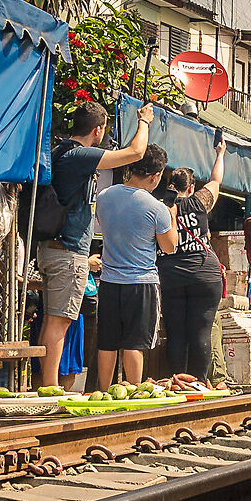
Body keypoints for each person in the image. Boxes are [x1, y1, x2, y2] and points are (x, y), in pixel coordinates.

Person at [35, 101, 155, 390]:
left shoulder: (61, 151)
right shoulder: (78, 154)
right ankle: (50, 387)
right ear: (98, 130)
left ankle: (47, 384)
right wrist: (144, 121)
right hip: (68, 251)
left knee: (53, 320)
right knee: (59, 321)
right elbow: (135, 153)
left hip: (54, 248)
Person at [92, 146, 177, 388]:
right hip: (141, 283)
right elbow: (170, 247)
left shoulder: (104, 196)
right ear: (156, 176)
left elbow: (101, 224)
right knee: (134, 344)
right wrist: (171, 216)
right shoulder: (156, 208)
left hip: (109, 281)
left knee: (107, 343)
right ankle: (133, 392)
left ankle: (103, 391)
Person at [155, 142, 227, 380]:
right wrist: (220, 153)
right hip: (205, 274)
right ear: (191, 187)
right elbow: (216, 180)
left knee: (176, 334)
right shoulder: (200, 202)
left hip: (171, 275)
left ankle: (177, 382)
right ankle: (199, 383)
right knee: (201, 332)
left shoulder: (161, 208)